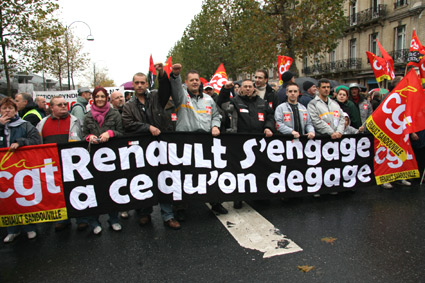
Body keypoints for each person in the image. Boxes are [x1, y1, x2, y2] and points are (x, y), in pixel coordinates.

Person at [122, 65, 181, 230]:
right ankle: (144, 213)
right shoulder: (128, 106)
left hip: (161, 147)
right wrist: (147, 128)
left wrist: (161, 74)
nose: (140, 85)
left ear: (147, 84)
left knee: (164, 179)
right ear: (133, 85)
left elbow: (165, 89)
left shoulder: (156, 97)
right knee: (144, 180)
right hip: (141, 149)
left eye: (143, 82)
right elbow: (128, 123)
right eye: (137, 83)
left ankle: (168, 215)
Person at [169, 63, 228, 215]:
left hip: (205, 142)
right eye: (191, 80)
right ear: (186, 83)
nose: (195, 82)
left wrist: (215, 126)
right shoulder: (182, 97)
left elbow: (216, 115)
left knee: (210, 173)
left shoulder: (208, 99)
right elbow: (175, 88)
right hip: (186, 142)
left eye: (197, 80)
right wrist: (175, 76)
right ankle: (181, 207)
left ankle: (215, 202)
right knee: (184, 175)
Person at [218, 79, 275, 209]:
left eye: (250, 86)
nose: (248, 88)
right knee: (240, 171)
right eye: (245, 86)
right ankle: (239, 197)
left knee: (259, 169)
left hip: (259, 142)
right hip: (240, 142)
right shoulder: (234, 102)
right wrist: (226, 89)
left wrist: (268, 127)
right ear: (240, 89)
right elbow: (221, 103)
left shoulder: (262, 102)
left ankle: (259, 195)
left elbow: (270, 116)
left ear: (254, 88)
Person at [36, 96, 87, 231]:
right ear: (51, 107)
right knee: (59, 193)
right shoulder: (42, 124)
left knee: (77, 190)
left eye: (65, 104)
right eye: (59, 105)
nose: (64, 106)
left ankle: (82, 219)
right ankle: (63, 219)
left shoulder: (76, 122)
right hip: (53, 165)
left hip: (73, 164)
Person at [83, 87, 124, 235]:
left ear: (107, 98)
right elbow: (82, 135)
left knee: (113, 189)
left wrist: (111, 133)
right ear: (93, 99)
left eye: (102, 96)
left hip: (111, 158)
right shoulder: (87, 116)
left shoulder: (115, 114)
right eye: (97, 96)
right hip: (93, 159)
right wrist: (89, 137)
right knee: (94, 191)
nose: (100, 99)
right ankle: (94, 222)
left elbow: (122, 133)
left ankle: (114, 220)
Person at [1, 97, 41, 242]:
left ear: (15, 110)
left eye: (10, 108)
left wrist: (20, 142)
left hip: (21, 168)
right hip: (3, 170)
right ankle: (12, 230)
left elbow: (36, 140)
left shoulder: (25, 125)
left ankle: (30, 227)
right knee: (8, 199)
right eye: (4, 108)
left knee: (24, 197)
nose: (7, 111)